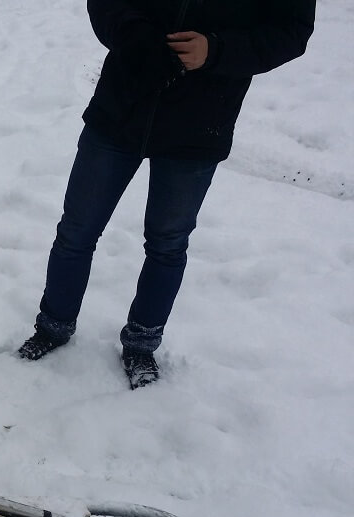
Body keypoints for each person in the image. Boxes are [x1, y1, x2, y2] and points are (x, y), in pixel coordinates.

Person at [18, 0, 316, 388]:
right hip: (120, 106)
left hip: (200, 124)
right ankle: (53, 326)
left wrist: (216, 50)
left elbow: (291, 30)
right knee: (77, 230)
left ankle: (142, 343)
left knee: (168, 244)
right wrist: (134, 34)